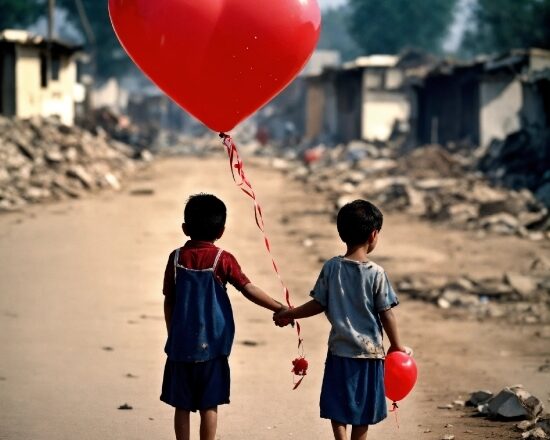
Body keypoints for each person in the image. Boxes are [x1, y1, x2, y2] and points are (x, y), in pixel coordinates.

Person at [273, 199, 409, 440]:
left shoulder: (331, 267)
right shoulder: (376, 273)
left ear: (341, 233)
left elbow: (318, 304)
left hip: (339, 351)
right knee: (363, 409)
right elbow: (386, 312)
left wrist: (290, 313)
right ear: (373, 235)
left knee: (338, 401)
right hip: (370, 353)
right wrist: (396, 346)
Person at [161, 193, 286, 440]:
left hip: (180, 345)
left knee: (182, 405)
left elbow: (169, 300)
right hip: (213, 346)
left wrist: (172, 334)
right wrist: (278, 307)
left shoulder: (176, 258)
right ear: (221, 231)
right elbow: (248, 288)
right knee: (209, 404)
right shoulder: (222, 259)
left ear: (185, 228)